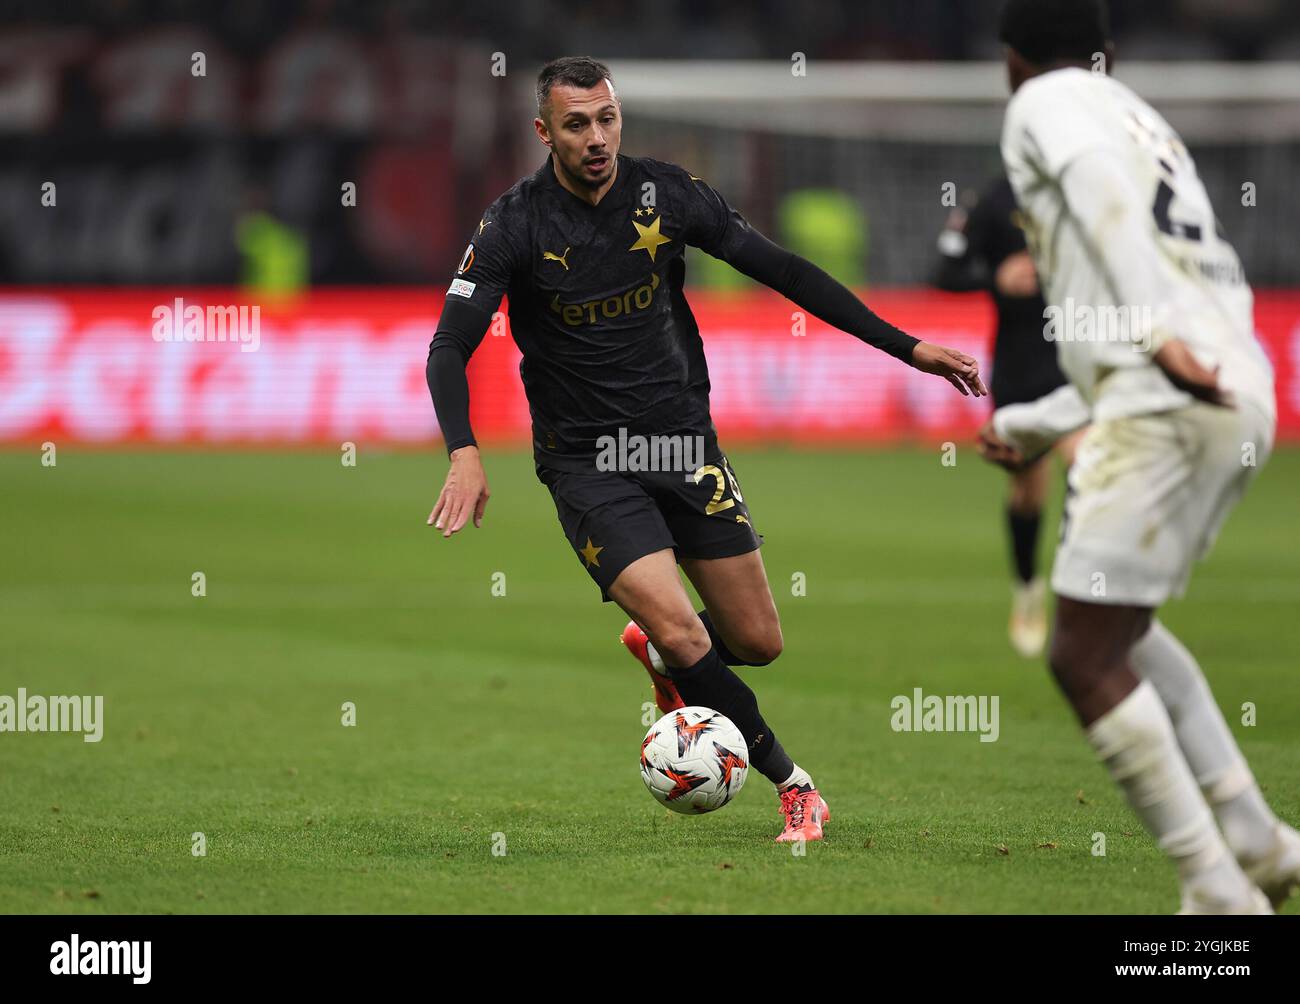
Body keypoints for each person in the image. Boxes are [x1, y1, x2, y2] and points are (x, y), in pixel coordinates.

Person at [426, 56, 986, 843]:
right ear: (543, 131)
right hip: (589, 463)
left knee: (756, 641)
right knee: (689, 633)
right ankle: (796, 787)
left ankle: (668, 665)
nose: (597, 138)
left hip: (681, 443)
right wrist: (464, 449)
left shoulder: (666, 194)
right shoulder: (514, 224)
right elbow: (449, 345)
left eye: (607, 118)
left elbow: (784, 270)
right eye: (577, 123)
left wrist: (908, 347)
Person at [979, 0, 1298, 912]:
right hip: (1234, 390)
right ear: (1106, 54)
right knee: (1127, 631)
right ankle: (1258, 842)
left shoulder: (1047, 108)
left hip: (1166, 395)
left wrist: (1152, 337)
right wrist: (1038, 420)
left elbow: (1094, 195)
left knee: (1083, 654)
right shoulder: (1141, 119)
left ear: (1011, 62)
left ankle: (1217, 891)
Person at [933, 175, 1081, 656]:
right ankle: (1028, 588)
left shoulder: (1087, 190)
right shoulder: (993, 199)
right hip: (1020, 365)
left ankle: (1084, 596)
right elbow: (944, 271)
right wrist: (995, 277)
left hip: (1081, 358)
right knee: (1028, 488)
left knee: (1087, 466)